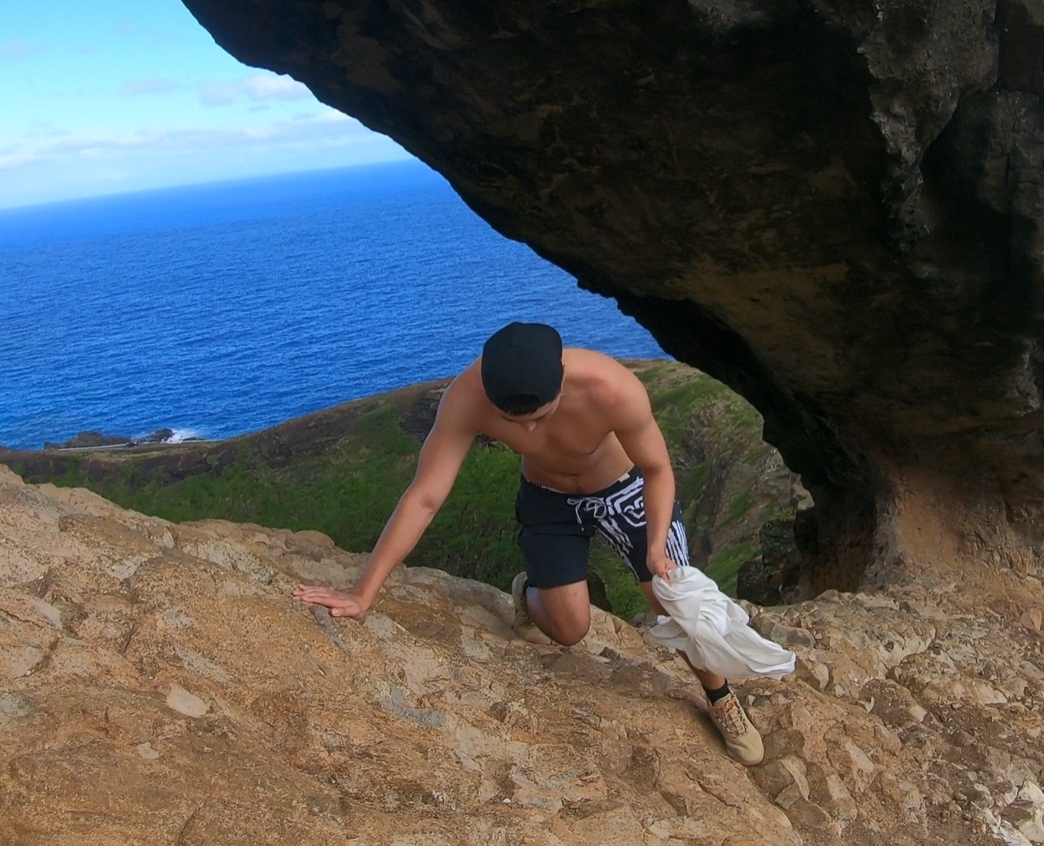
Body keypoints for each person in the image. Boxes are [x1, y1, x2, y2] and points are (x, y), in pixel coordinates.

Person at [293, 321, 765, 765]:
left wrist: (657, 546)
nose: (530, 433)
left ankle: (720, 697)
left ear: (561, 381)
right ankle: (529, 593)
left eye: (541, 416)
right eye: (513, 423)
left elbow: (659, 471)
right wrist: (363, 593)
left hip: (626, 487)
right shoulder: (466, 397)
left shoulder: (612, 388)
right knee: (569, 630)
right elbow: (425, 496)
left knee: (672, 599)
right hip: (549, 498)